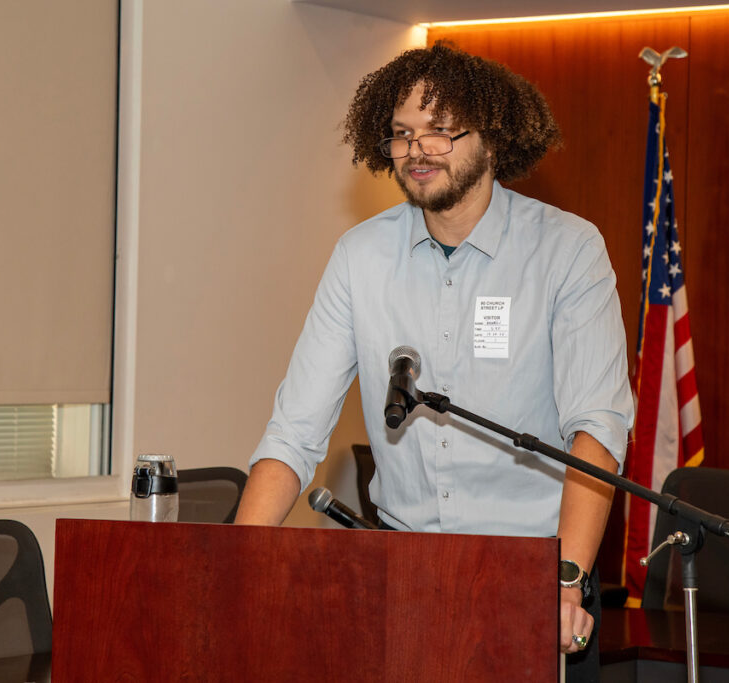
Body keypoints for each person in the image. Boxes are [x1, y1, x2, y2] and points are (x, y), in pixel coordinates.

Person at [236, 41, 633, 682]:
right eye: (401, 133)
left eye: (441, 130)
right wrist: (236, 569)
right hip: (397, 581)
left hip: (531, 584)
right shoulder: (359, 257)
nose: (417, 149)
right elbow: (294, 432)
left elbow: (598, 426)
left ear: (492, 136)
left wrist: (567, 579)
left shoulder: (568, 251)